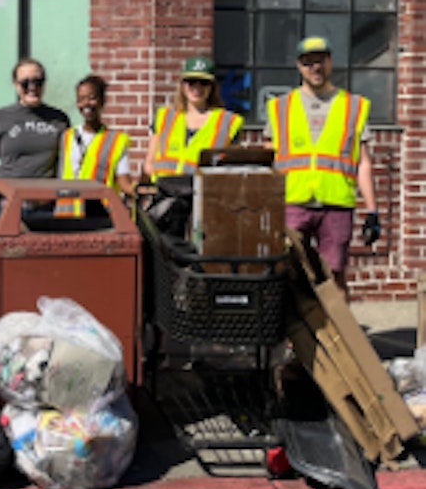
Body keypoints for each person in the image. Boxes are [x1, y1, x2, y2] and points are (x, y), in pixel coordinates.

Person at [265, 35, 381, 295]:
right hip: (293, 202)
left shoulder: (353, 106)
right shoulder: (281, 107)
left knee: (335, 276)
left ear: (330, 62)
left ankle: (342, 336)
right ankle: (298, 337)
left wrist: (372, 210)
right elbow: (269, 159)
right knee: (291, 274)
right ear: (299, 66)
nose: (315, 67)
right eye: (308, 62)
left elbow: (362, 162)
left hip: (336, 204)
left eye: (320, 61)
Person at [0, 57, 70, 229]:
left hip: (46, 207)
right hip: (7, 206)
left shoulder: (59, 120)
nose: (32, 88)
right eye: (25, 83)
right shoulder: (1, 118)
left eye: (37, 82)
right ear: (16, 85)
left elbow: (65, 164)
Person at [143, 55, 244, 180]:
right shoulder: (165, 116)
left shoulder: (228, 122)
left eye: (204, 83)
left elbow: (234, 168)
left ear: (212, 87)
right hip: (165, 192)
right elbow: (149, 162)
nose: (197, 88)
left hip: (204, 194)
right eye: (191, 82)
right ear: (182, 85)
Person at [56, 74, 135, 216]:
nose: (86, 103)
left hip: (99, 218)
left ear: (102, 101)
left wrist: (143, 186)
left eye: (92, 98)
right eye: (81, 99)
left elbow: (124, 183)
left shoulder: (116, 140)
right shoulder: (66, 137)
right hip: (66, 218)